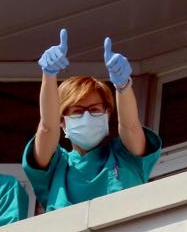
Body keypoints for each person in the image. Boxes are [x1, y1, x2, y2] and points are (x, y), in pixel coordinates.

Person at [20, 28, 162, 212]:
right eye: (77, 111)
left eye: (94, 109)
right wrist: (48, 75)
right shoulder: (56, 165)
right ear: (62, 121)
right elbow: (48, 128)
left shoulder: (125, 155)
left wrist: (123, 86)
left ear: (107, 113)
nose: (86, 116)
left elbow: (131, 126)